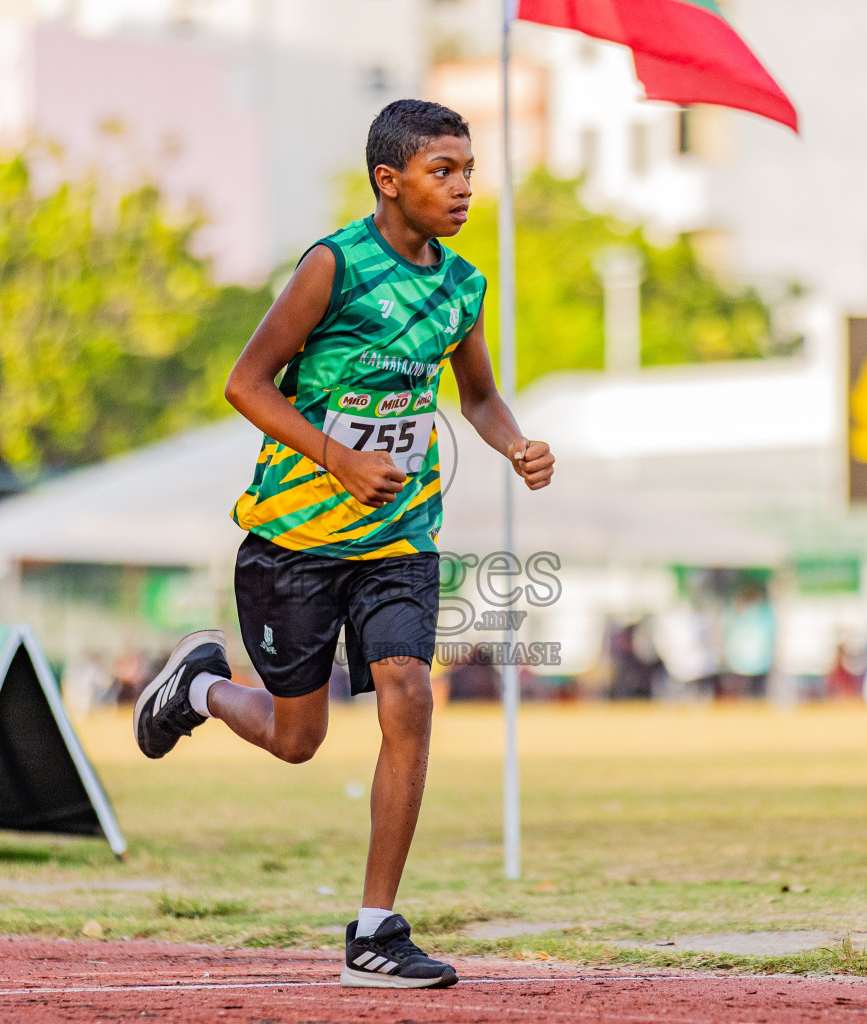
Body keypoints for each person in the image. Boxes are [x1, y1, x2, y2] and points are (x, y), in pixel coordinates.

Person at [132, 100, 554, 990]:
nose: (465, 187)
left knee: (410, 694)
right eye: (444, 171)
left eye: (470, 169)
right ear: (389, 181)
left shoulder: (462, 286)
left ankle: (375, 931)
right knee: (297, 740)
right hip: (293, 539)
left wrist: (513, 442)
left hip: (400, 535)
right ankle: (200, 687)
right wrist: (339, 457)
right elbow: (243, 384)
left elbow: (477, 398)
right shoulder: (334, 266)